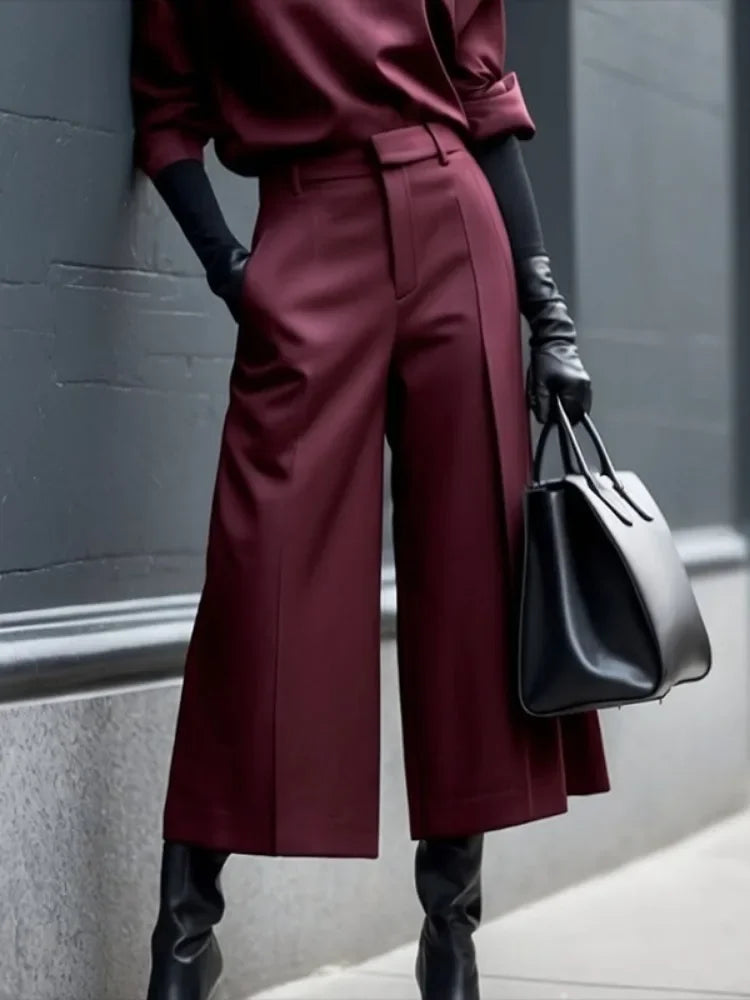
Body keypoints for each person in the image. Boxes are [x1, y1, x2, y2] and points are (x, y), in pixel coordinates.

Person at [130, 1, 611, 998]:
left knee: (475, 576)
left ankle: (452, 934)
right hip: (305, 225)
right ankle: (183, 933)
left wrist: (549, 315)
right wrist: (230, 267)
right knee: (259, 574)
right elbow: (167, 112)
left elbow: (481, 94)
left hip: (453, 218)